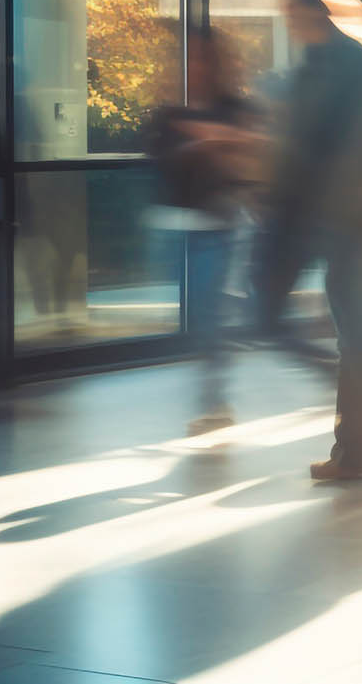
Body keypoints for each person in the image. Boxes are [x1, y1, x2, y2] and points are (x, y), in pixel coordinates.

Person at [257, 0, 362, 481]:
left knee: (354, 334)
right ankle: (353, 441)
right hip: (326, 219)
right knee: (343, 332)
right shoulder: (314, 72)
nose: (289, 22)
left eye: (292, 12)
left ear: (313, 11)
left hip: (353, 223)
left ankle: (355, 450)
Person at [143, 27, 263, 434]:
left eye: (203, 57)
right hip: (177, 225)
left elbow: (253, 152)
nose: (196, 65)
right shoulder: (171, 112)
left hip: (219, 225)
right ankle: (214, 396)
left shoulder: (231, 107)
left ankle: (214, 401)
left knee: (209, 315)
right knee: (200, 317)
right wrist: (206, 145)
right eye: (190, 57)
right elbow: (158, 157)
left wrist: (215, 142)